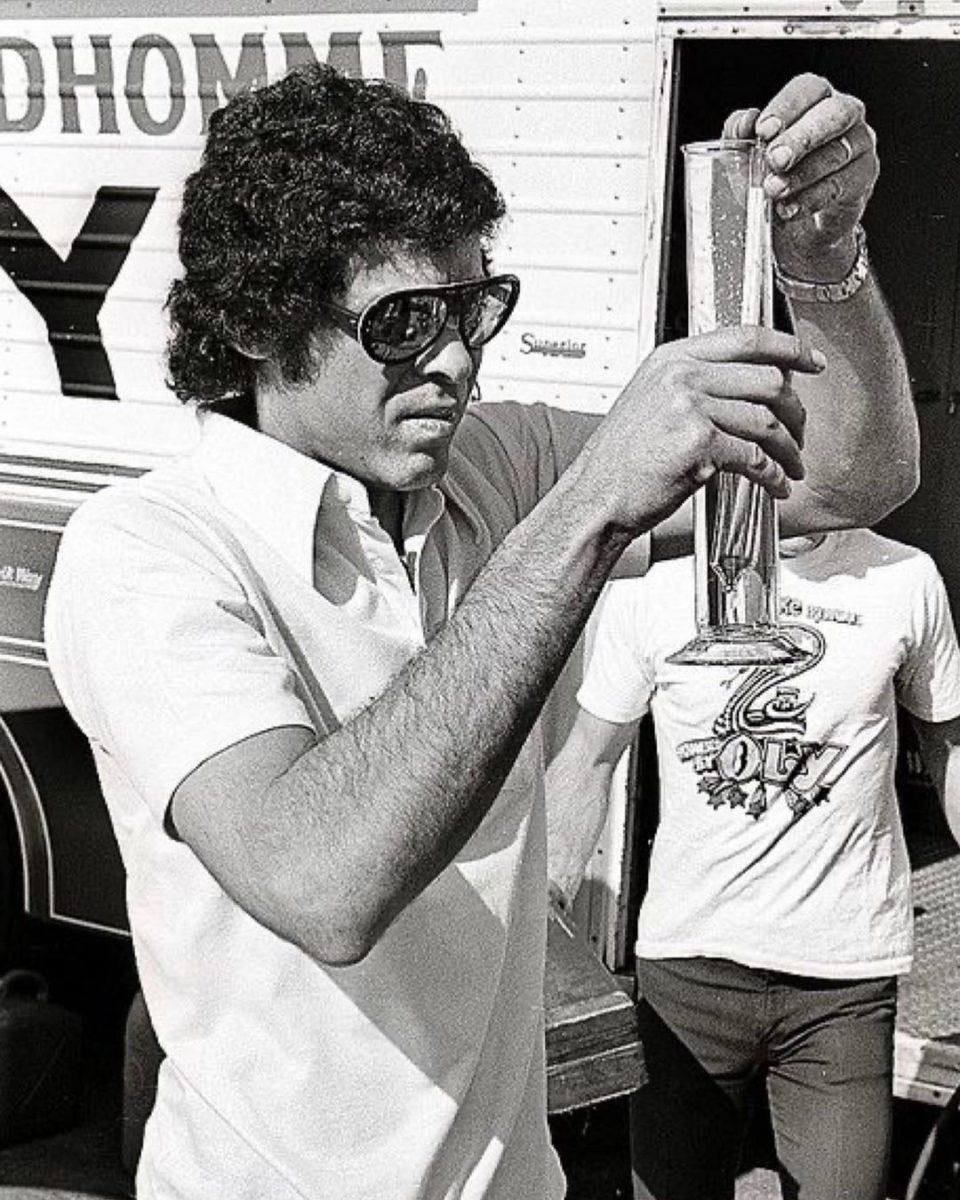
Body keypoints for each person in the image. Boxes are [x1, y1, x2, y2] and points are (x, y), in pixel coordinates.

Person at [43, 63, 915, 1200]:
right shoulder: (147, 549)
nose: (455, 358)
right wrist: (590, 505)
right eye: (404, 320)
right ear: (257, 323)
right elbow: (323, 884)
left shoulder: (489, 468)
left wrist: (823, 261)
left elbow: (852, 476)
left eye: (472, 309)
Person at [546, 529, 960, 1200]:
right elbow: (590, 759)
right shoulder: (658, 579)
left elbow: (947, 748)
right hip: (688, 978)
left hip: (841, 985)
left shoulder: (903, 576)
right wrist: (543, 920)